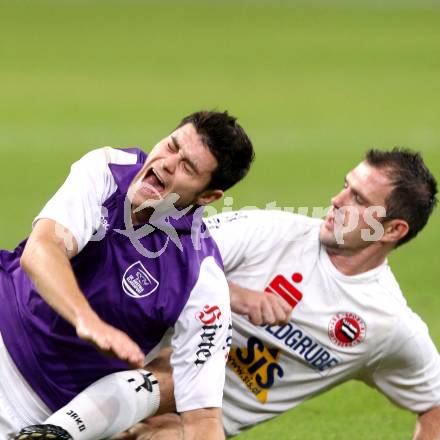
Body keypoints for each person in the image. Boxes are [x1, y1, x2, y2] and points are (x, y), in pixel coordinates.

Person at [21, 147, 440, 440]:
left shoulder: (387, 325)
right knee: (171, 371)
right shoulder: (269, 232)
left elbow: (434, 405)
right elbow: (170, 254)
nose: (336, 200)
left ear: (392, 230)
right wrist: (234, 295)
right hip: (118, 371)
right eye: (345, 186)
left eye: (357, 199)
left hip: (192, 427)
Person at [0, 110, 255, 440]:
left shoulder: (200, 276)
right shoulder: (107, 170)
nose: (166, 162)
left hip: (49, 417)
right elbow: (43, 248)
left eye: (187, 167)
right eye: (171, 145)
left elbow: (203, 416)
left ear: (207, 197)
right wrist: (87, 321)